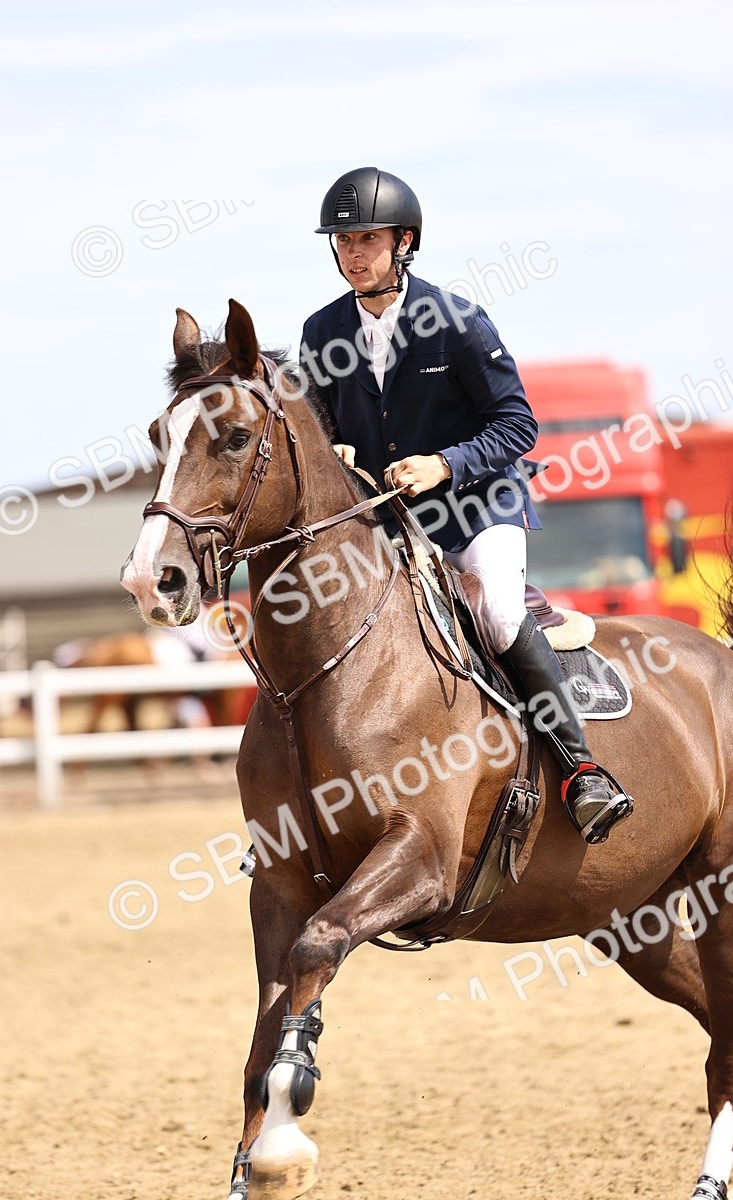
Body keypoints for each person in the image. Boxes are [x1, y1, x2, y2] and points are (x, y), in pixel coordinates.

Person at [299, 166, 632, 844]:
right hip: (390, 525)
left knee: (500, 611)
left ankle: (581, 771)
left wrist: (444, 463)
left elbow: (517, 426)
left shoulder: (457, 322)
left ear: (404, 242)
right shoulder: (321, 331)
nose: (353, 253)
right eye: (343, 241)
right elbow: (321, 428)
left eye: (367, 238)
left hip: (478, 509)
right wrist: (331, 454)